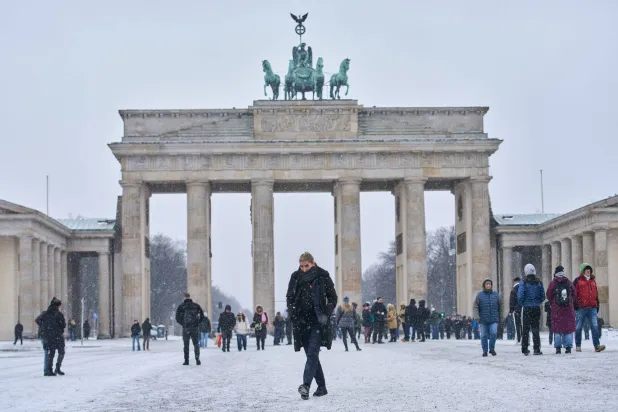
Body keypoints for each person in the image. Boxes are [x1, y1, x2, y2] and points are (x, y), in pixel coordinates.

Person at [286, 252, 337, 400]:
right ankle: (321, 387)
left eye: (306, 266)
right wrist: (292, 312)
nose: (304, 269)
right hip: (301, 322)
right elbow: (289, 297)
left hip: (317, 321)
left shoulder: (323, 275)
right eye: (301, 266)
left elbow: (333, 297)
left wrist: (326, 313)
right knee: (311, 355)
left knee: (313, 353)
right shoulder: (295, 277)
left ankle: (306, 385)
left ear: (313, 263)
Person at [573, 263, 606, 352]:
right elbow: (573, 294)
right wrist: (575, 305)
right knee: (578, 327)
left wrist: (597, 304)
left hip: (592, 307)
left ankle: (597, 346)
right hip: (581, 307)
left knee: (594, 326)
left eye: (589, 270)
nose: (588, 271)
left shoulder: (592, 281)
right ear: (583, 271)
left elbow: (595, 294)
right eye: (586, 270)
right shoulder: (577, 280)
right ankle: (578, 346)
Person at [546, 266, 576, 354]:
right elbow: (574, 294)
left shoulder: (553, 283)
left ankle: (558, 347)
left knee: (557, 328)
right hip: (568, 308)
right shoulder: (569, 282)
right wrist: (570, 301)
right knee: (568, 328)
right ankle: (568, 347)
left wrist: (554, 302)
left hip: (557, 309)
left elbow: (548, 295)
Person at [517, 264, 545, 356]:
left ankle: (525, 348)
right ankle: (537, 349)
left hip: (527, 307)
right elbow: (543, 296)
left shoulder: (523, 282)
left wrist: (523, 303)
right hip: (536, 307)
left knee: (525, 329)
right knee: (535, 329)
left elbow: (520, 295)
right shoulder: (539, 282)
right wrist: (537, 302)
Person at [36, 297, 66, 376]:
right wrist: (59, 329)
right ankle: (57, 368)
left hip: (47, 335)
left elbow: (37, 320)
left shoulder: (45, 313)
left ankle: (49, 370)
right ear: (58, 306)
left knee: (50, 352)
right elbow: (63, 325)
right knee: (61, 352)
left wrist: (44, 327)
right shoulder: (59, 314)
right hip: (57, 335)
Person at [473, 279, 503, 357]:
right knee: (483, 335)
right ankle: (485, 350)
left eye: (490, 284)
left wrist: (501, 317)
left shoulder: (496, 295)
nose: (488, 285)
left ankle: (492, 349)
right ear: (484, 286)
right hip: (483, 319)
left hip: (494, 319)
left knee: (493, 333)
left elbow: (500, 307)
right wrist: (476, 316)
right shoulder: (479, 295)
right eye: (487, 284)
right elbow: (475, 306)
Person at [175, 292, 205, 365]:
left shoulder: (181, 306)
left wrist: (183, 323)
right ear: (190, 297)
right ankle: (197, 358)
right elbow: (202, 315)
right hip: (195, 328)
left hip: (186, 328)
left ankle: (186, 360)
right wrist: (197, 322)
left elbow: (177, 318)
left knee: (186, 345)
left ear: (184, 297)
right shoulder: (196, 306)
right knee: (196, 344)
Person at [509, 277, 522, 343]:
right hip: (524, 308)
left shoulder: (514, 290)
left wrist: (511, 310)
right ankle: (524, 337)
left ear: (514, 282)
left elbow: (512, 301)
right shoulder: (523, 288)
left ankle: (519, 338)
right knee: (524, 324)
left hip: (517, 309)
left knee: (517, 324)